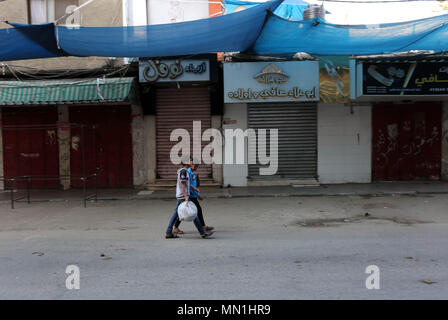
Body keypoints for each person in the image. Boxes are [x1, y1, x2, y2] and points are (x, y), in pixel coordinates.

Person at [165, 156, 213, 239]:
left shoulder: (185, 171)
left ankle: (169, 232)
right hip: (183, 196)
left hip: (182, 196)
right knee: (193, 213)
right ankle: (202, 232)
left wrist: (193, 188)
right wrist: (186, 197)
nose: (191, 162)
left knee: (179, 213)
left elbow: (186, 183)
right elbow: (182, 184)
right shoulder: (183, 171)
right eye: (190, 161)